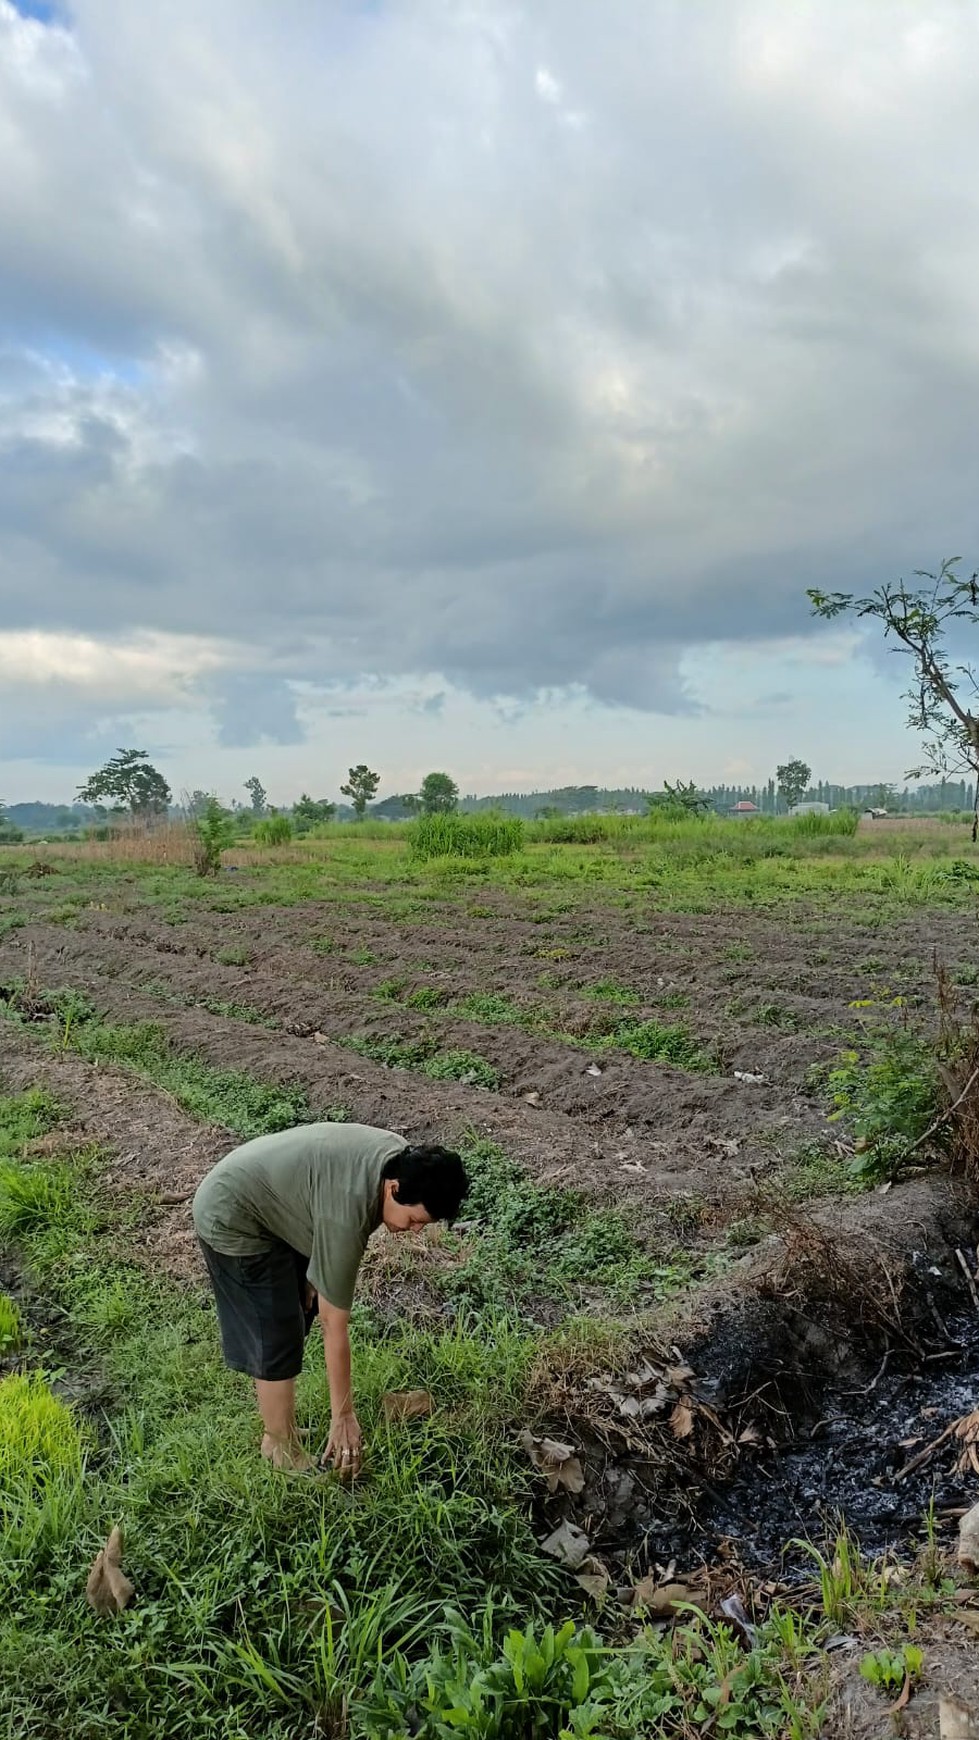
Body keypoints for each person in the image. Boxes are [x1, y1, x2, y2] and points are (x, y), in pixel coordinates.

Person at [192, 1122, 468, 1473]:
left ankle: (282, 1427)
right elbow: (334, 1326)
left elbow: (321, 1201)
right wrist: (343, 1415)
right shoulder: (349, 1208)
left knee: (294, 1313)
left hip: (277, 1203)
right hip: (233, 1214)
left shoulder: (399, 1160)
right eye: (415, 1220)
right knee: (275, 1327)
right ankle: (279, 1446)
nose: (414, 1231)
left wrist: (313, 1274)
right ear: (395, 1189)